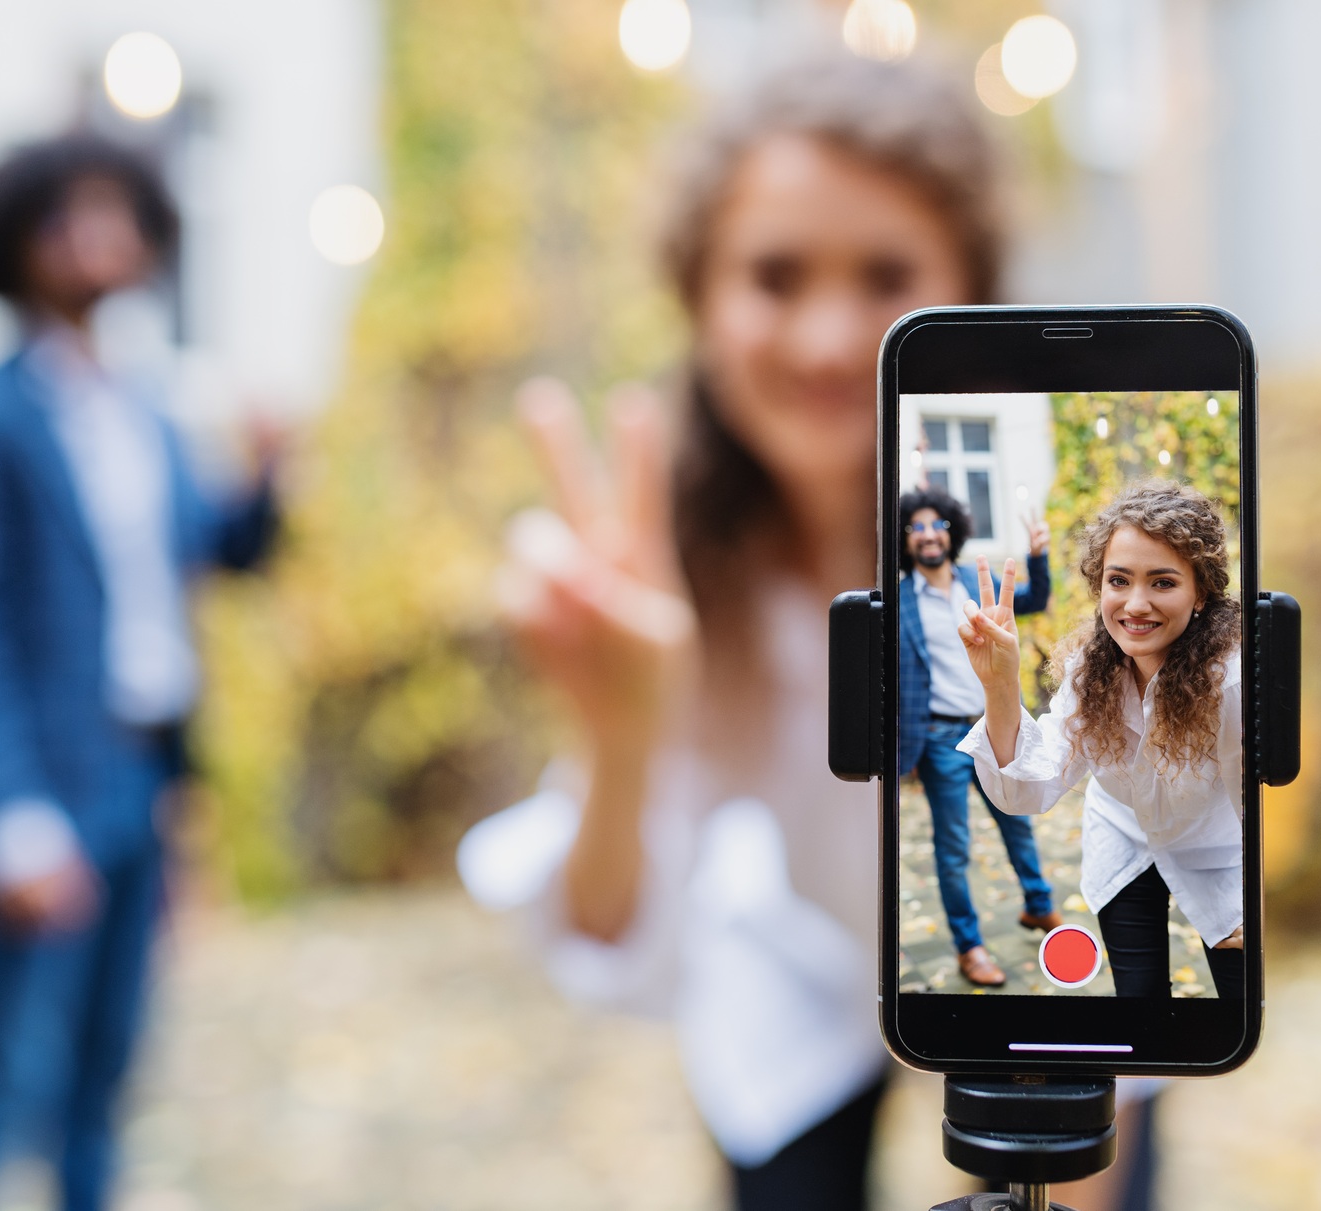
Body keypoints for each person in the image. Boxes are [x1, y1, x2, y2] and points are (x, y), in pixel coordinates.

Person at [457, 56, 1001, 1211]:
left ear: (967, 288)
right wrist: (621, 728)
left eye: (885, 275)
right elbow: (609, 930)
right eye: (773, 275)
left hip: (1020, 981)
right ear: (698, 297)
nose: (823, 336)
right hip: (800, 978)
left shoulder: (1036, 547)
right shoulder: (672, 561)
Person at [0, 135, 277, 1211]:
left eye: (117, 213)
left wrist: (269, 475)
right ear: (15, 241)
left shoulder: (150, 413)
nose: (97, 237)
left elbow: (216, 552)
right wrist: (10, 811)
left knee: (107, 1069)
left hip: (144, 776)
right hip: (39, 785)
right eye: (68, 216)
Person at [956, 480, 1246, 1000]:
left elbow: (1260, 802)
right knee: (1140, 1005)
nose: (1136, 604)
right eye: (1119, 580)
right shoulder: (1091, 673)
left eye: (1162, 582)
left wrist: (1257, 896)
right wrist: (999, 684)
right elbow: (1030, 788)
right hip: (1125, 838)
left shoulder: (1231, 681)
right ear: (1100, 586)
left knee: (1241, 1003)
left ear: (1201, 592)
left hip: (1221, 853)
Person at [895, 486, 1056, 986]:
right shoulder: (897, 600)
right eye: (915, 526)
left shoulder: (974, 585)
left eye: (936, 525)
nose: (927, 534)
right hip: (940, 738)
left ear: (952, 531)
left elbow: (1034, 598)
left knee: (1017, 821)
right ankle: (971, 946)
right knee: (953, 847)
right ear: (905, 539)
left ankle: (1039, 905)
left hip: (990, 727)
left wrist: (1038, 555)